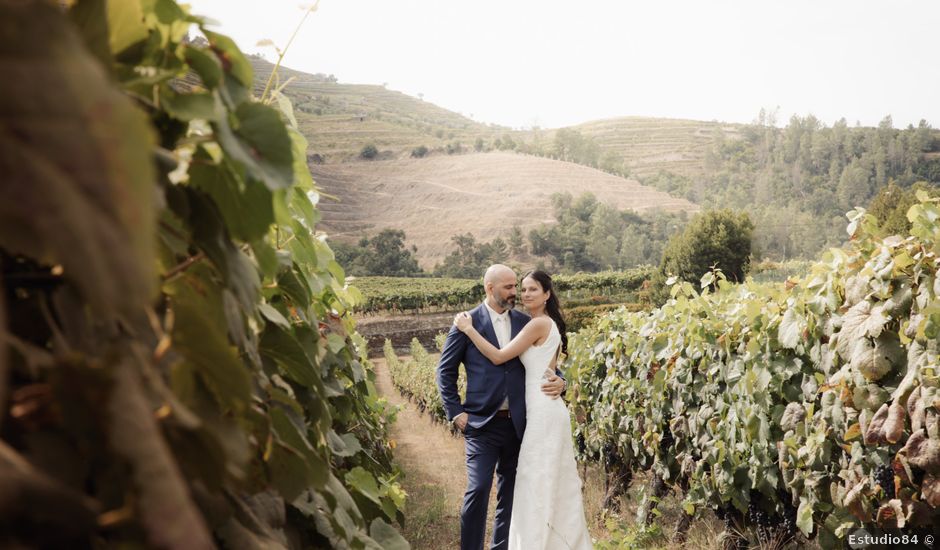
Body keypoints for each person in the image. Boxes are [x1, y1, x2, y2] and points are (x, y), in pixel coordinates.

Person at [453, 270, 591, 550]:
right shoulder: (531, 322)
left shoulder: (532, 323)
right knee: (533, 481)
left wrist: (468, 330)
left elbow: (502, 357)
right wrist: (455, 411)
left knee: (533, 483)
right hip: (513, 416)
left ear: (547, 294)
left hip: (534, 415)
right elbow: (548, 366)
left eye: (530, 289)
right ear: (490, 287)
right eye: (519, 288)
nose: (522, 294)